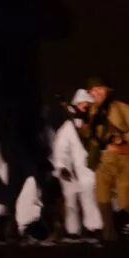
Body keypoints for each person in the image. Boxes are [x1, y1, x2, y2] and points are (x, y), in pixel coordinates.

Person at [79, 76, 129, 242]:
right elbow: (87, 136)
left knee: (126, 201)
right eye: (92, 90)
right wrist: (82, 119)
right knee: (102, 199)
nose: (96, 93)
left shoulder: (122, 108)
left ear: (108, 90)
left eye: (100, 88)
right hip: (102, 161)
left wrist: (124, 138)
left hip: (123, 159)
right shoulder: (91, 111)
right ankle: (109, 237)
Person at [51, 89, 102, 238]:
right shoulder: (68, 127)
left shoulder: (96, 125)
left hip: (90, 171)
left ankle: (94, 228)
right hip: (71, 172)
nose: (83, 107)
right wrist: (62, 166)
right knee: (71, 203)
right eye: (80, 104)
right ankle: (73, 231)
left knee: (90, 200)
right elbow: (60, 148)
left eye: (86, 104)